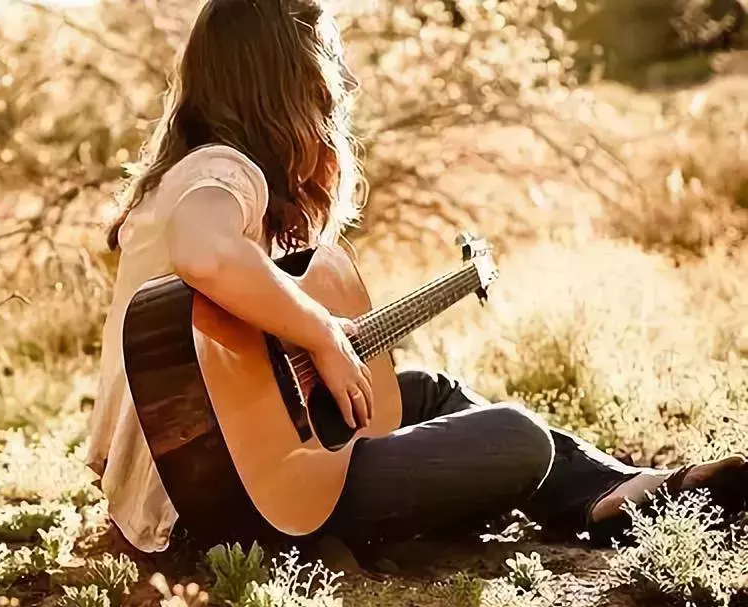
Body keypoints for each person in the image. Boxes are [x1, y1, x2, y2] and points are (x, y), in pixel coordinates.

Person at [85, 0, 747, 556]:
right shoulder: (225, 174)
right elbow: (206, 254)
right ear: (284, 86)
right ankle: (596, 489)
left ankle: (612, 489)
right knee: (515, 436)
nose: (336, 91)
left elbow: (227, 342)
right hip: (221, 506)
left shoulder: (193, 170)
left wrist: (323, 342)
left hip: (198, 484)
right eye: (324, 78)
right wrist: (321, 334)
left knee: (425, 391)